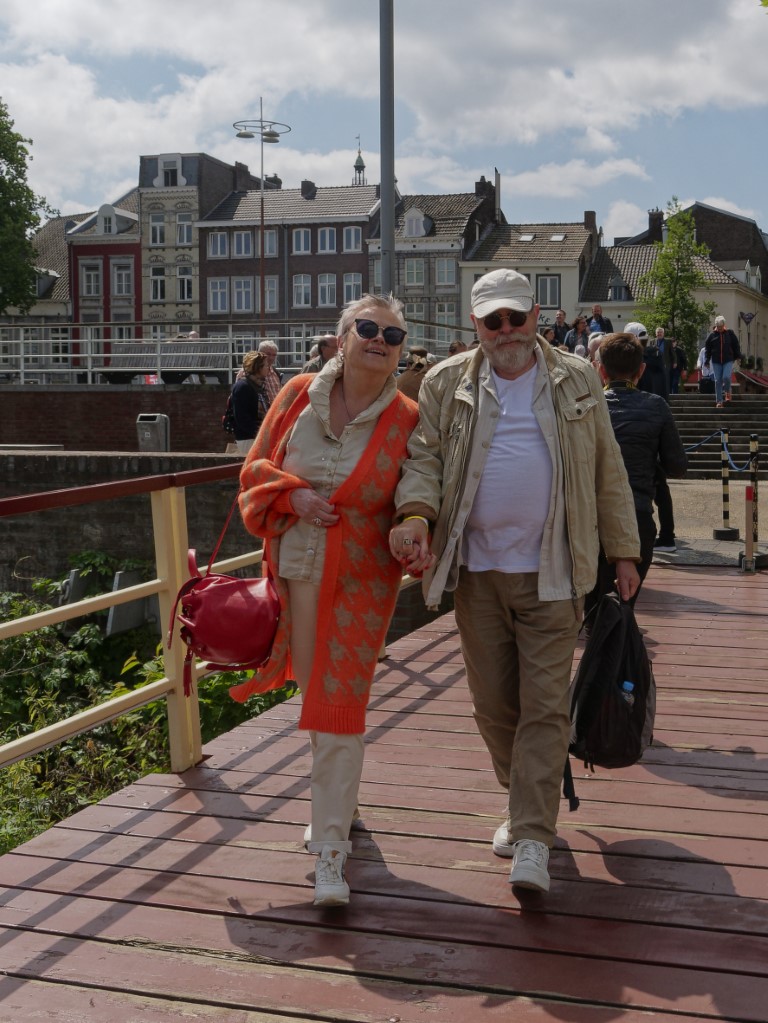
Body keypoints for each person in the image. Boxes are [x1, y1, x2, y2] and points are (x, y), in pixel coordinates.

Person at [389, 268, 640, 894]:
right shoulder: (446, 381)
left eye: (516, 317)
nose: (507, 330)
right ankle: (522, 797)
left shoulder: (577, 377)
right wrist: (415, 515)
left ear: (536, 317)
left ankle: (532, 836)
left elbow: (608, 468)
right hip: (476, 572)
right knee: (495, 707)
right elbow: (423, 459)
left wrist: (625, 552)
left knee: (545, 708)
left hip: (554, 570)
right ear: (476, 325)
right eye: (493, 321)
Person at [234, 294, 418, 908]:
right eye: (367, 328)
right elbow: (254, 471)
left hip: (361, 585)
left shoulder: (408, 418)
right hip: (296, 575)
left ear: (400, 352)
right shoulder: (295, 395)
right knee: (316, 699)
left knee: (339, 708)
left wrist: (416, 526)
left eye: (392, 335)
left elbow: (419, 490)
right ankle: (341, 801)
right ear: (342, 338)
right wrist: (292, 497)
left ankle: (331, 851)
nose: (379, 340)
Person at [585, 333, 687, 617]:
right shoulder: (656, 406)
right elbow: (678, 465)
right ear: (641, 370)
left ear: (600, 370)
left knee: (591, 611)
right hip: (637, 515)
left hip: (590, 518)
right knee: (621, 609)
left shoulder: (588, 406)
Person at [230, 351, 271, 455]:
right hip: (248, 438)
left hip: (259, 436)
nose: (269, 368)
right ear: (257, 367)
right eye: (266, 365)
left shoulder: (259, 386)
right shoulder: (242, 387)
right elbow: (241, 417)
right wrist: (259, 432)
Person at [705, 315, 741, 408]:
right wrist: (707, 360)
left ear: (724, 325)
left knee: (726, 377)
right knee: (718, 381)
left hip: (728, 360)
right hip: (716, 361)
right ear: (716, 326)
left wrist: (738, 357)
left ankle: (728, 392)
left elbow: (736, 345)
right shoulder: (712, 336)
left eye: (721, 326)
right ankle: (719, 401)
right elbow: (707, 350)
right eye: (718, 327)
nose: (720, 328)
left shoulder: (730, 333)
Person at [258, 339, 283, 404]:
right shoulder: (252, 374)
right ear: (259, 354)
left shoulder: (276, 373)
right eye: (268, 354)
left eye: (274, 355)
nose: (271, 358)